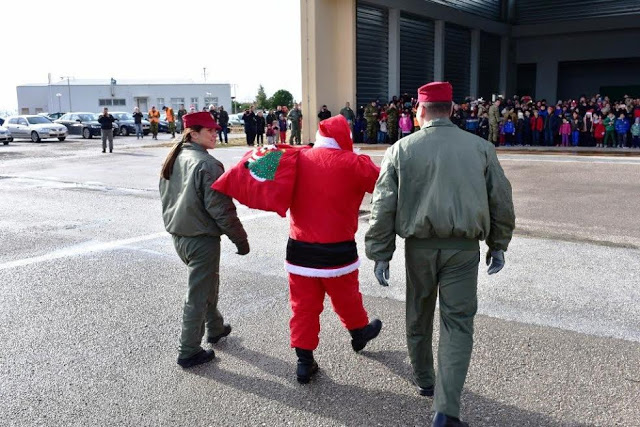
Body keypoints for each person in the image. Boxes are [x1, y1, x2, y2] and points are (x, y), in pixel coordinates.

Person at [365, 82, 515, 427]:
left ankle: (424, 378)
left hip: (419, 247)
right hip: (463, 250)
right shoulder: (480, 147)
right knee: (457, 324)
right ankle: (446, 410)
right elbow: (501, 201)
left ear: (420, 111)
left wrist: (380, 252)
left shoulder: (401, 149)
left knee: (418, 311)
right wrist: (498, 244)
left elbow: (383, 205)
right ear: (451, 109)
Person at [286, 114, 382, 384]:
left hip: (299, 249)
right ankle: (359, 332)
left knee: (303, 306)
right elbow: (385, 186)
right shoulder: (354, 163)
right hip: (338, 250)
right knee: (346, 296)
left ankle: (304, 362)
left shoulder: (296, 158)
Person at [159, 111, 250, 369]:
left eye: (215, 129)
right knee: (198, 294)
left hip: (180, 235)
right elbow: (221, 209)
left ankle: (216, 327)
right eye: (209, 130)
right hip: (201, 239)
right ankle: (188, 350)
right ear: (193, 134)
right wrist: (240, 240)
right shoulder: (207, 164)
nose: (215, 134)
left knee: (208, 282)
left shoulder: (176, 157)